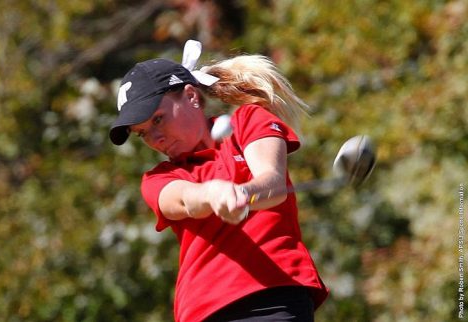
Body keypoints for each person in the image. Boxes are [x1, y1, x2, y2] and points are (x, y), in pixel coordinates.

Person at [109, 40, 328, 322]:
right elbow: (186, 199)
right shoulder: (158, 178)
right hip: (204, 311)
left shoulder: (248, 121)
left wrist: (242, 193)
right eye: (142, 133)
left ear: (191, 97)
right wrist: (212, 193)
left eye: (158, 120)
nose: (154, 138)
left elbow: (272, 185)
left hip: (275, 296)